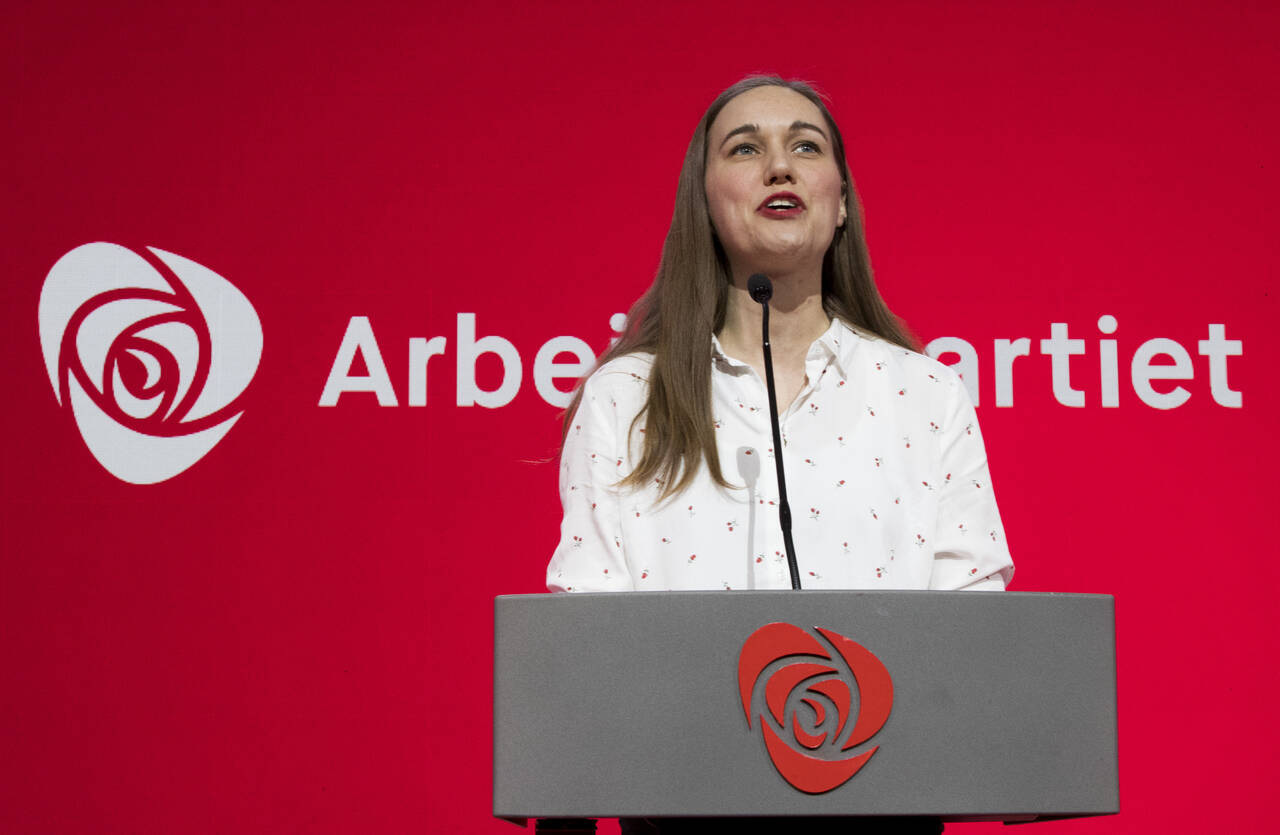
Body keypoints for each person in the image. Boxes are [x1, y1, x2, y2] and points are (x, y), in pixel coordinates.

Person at [547, 76, 1013, 597]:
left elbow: (972, 625)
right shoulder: (624, 397)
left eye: (806, 146)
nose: (780, 168)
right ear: (702, 202)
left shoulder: (928, 395)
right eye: (745, 149)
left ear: (840, 202)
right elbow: (587, 633)